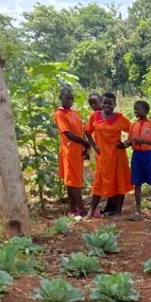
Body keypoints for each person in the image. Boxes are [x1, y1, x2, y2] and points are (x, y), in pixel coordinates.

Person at [85, 92, 131, 218]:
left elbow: (133, 129)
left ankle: (117, 211)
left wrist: (126, 144)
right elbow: (87, 131)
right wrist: (94, 146)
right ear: (102, 103)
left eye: (110, 103)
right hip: (102, 157)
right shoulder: (95, 116)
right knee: (98, 184)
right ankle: (91, 211)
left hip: (117, 156)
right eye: (105, 103)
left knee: (119, 181)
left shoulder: (120, 118)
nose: (107, 106)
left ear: (115, 104)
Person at [53, 87, 88, 217]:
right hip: (69, 151)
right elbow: (67, 134)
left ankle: (72, 209)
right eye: (67, 98)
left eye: (72, 98)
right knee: (72, 181)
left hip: (78, 152)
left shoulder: (75, 114)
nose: (70, 101)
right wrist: (85, 143)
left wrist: (86, 148)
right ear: (61, 98)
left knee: (75, 179)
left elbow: (82, 132)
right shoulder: (59, 114)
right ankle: (81, 209)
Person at [128, 100, 151, 221]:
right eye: (134, 109)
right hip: (137, 156)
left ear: (146, 111)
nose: (136, 111)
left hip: (149, 155)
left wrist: (144, 141)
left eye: (138, 109)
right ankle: (138, 212)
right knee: (137, 183)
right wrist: (123, 145)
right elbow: (130, 141)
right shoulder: (133, 125)